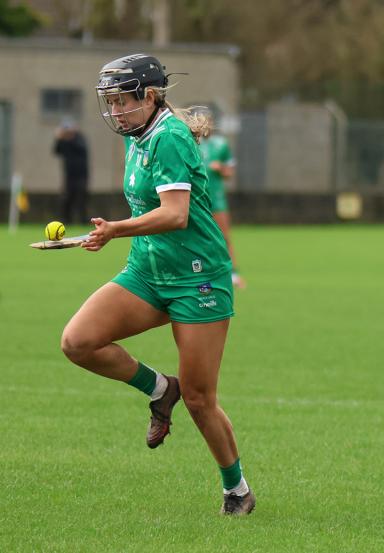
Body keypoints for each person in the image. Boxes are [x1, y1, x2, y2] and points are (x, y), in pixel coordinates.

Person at [60, 54, 255, 515]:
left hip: (196, 279)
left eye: (121, 101)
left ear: (150, 96)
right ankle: (157, 389)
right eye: (109, 102)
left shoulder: (168, 136)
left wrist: (115, 229)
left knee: (201, 399)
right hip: (148, 272)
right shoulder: (137, 135)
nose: (114, 111)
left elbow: (175, 214)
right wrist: (110, 233)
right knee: (78, 341)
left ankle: (237, 490)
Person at [197, 111, 246, 289]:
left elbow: (229, 172)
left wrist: (221, 168)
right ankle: (200, 274)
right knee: (198, 238)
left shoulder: (220, 144)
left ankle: (233, 274)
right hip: (195, 200)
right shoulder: (191, 143)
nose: (205, 126)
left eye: (207, 122)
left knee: (224, 237)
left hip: (216, 200)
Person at [53, 119, 89, 224]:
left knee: (81, 198)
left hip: (82, 175)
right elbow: (56, 150)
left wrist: (71, 137)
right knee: (67, 199)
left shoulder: (79, 138)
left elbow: (81, 148)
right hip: (69, 176)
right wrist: (58, 138)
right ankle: (66, 220)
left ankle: (83, 221)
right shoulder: (64, 141)